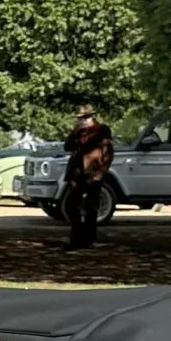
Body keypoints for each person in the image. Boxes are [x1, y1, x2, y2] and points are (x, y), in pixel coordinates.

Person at [62, 105, 113, 250]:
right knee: (72, 206)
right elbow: (67, 146)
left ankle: (88, 239)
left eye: (84, 118)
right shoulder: (78, 132)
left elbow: (108, 152)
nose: (82, 121)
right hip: (76, 172)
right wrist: (74, 132)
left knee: (91, 207)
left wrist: (101, 172)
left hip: (93, 172)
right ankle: (76, 238)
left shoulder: (101, 130)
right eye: (80, 118)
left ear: (91, 117)